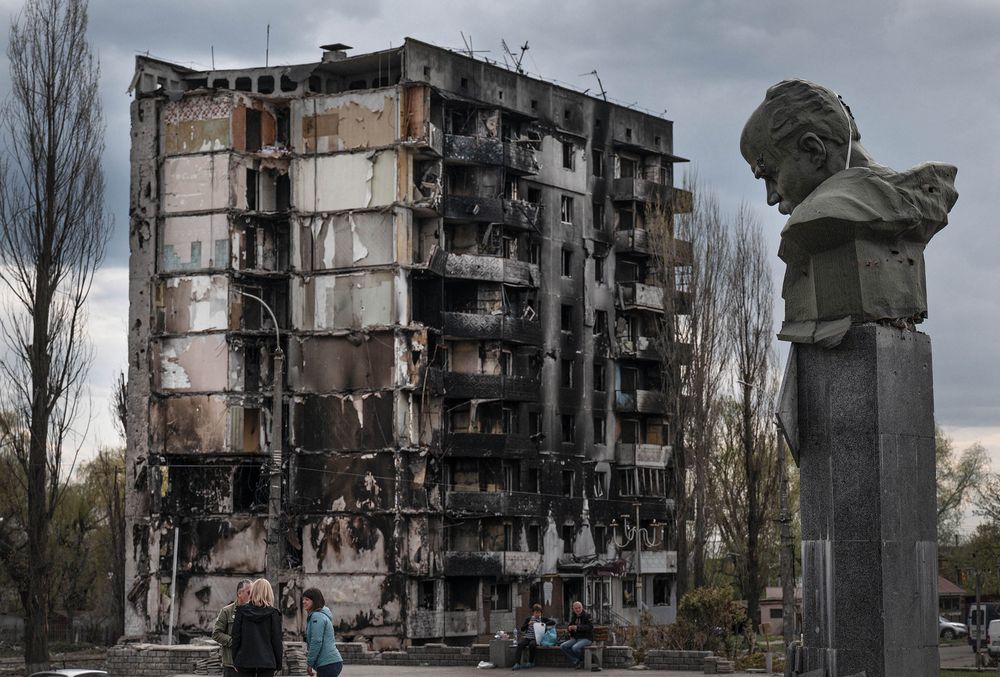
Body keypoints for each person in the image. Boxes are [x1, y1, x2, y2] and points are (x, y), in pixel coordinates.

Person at [740, 79, 957, 347]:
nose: (771, 197)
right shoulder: (923, 191)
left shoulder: (824, 216)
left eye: (771, 175)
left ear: (814, 150)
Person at [232, 579, 283, 677]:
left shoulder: (241, 611)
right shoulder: (273, 613)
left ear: (253, 591)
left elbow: (236, 637)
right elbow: (276, 640)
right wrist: (278, 664)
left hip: (244, 660)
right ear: (269, 593)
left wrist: (235, 659)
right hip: (267, 662)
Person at [212, 578, 253, 677]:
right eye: (249, 593)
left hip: (250, 664)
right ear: (239, 594)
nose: (252, 596)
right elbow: (216, 634)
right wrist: (235, 642)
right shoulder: (227, 611)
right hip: (231, 665)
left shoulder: (254, 612)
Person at [302, 587, 344, 677]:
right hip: (330, 663)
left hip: (328, 663)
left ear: (315, 601)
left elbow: (316, 641)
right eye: (303, 599)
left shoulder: (317, 617)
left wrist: (309, 663)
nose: (303, 602)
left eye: (307, 599)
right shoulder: (318, 615)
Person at [512, 603, 555, 670]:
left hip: (537, 638)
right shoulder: (529, 619)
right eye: (536, 612)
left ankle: (531, 662)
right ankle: (517, 663)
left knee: (532, 644)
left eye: (539, 612)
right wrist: (528, 624)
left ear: (541, 612)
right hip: (528, 637)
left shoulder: (542, 619)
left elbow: (553, 622)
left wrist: (543, 624)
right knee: (520, 644)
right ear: (533, 612)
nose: (537, 614)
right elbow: (522, 629)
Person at [559, 601, 594, 669]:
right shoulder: (573, 616)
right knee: (563, 646)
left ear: (582, 607)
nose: (578, 609)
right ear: (573, 609)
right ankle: (577, 660)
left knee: (575, 647)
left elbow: (590, 627)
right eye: (576, 608)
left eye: (579, 608)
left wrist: (577, 627)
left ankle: (581, 661)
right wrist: (569, 628)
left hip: (586, 638)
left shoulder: (587, 615)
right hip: (575, 638)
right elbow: (570, 626)